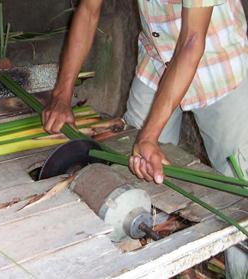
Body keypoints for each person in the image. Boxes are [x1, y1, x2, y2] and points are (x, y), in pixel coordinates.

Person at [42, 0, 248, 278]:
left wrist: (149, 136)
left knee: (239, 193)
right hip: (157, 60)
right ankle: (165, 263)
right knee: (132, 170)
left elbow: (191, 42)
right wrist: (62, 94)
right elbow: (89, 10)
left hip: (218, 63)